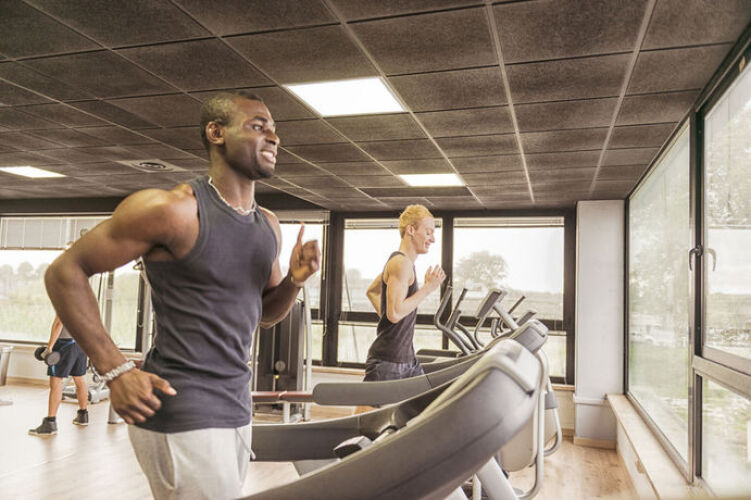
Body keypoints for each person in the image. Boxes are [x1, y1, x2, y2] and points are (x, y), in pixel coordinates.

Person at [44, 90, 320, 500]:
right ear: (216, 132)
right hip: (181, 402)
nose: (274, 137)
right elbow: (64, 272)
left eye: (274, 130)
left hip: (235, 404)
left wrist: (294, 281)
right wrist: (116, 370)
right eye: (258, 126)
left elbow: (265, 314)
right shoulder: (172, 209)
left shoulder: (268, 225)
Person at [363, 204, 446, 382]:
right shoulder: (401, 263)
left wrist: (390, 322)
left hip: (406, 359)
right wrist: (428, 288)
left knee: (429, 399)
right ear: (411, 230)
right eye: (428, 232)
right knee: (368, 408)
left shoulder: (403, 263)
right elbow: (394, 313)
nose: (433, 239)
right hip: (388, 362)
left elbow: (372, 292)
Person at [28, 315, 89, 436]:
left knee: (56, 381)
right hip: (81, 343)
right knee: (79, 379)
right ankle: (83, 415)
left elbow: (58, 323)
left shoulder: (64, 301)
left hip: (65, 344)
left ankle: (50, 423)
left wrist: (49, 347)